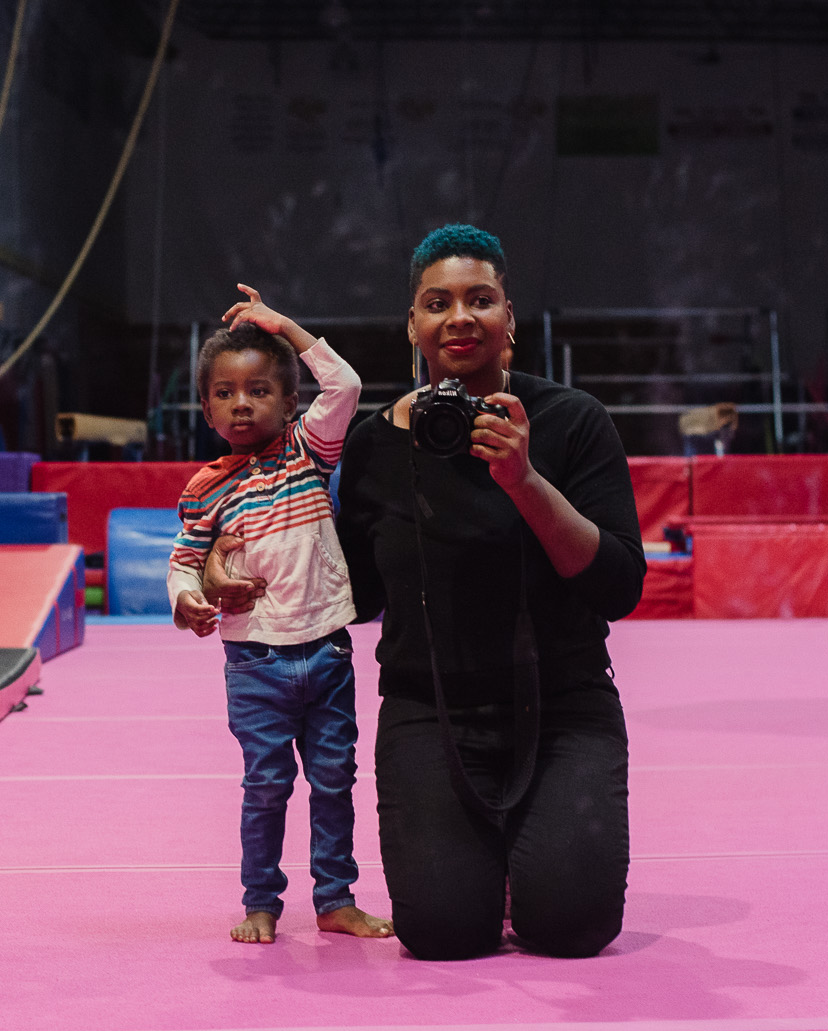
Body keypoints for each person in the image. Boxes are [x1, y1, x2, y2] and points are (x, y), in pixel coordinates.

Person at [209, 224, 643, 961]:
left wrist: (525, 482)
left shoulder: (571, 422)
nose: (460, 316)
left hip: (564, 706)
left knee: (571, 926)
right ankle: (495, 850)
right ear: (413, 325)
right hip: (430, 714)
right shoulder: (377, 444)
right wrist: (226, 559)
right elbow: (355, 591)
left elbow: (618, 585)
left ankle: (532, 845)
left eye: (481, 299)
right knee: (443, 932)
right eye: (436, 302)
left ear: (510, 315)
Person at [169, 285, 394, 947]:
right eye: (225, 393)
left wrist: (283, 325)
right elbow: (185, 562)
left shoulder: (307, 451)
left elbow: (345, 384)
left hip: (324, 650)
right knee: (266, 784)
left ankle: (335, 898)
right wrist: (187, 598)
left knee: (334, 780)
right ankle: (261, 901)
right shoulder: (208, 489)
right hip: (256, 661)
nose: (242, 403)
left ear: (289, 402)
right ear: (207, 406)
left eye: (260, 390)